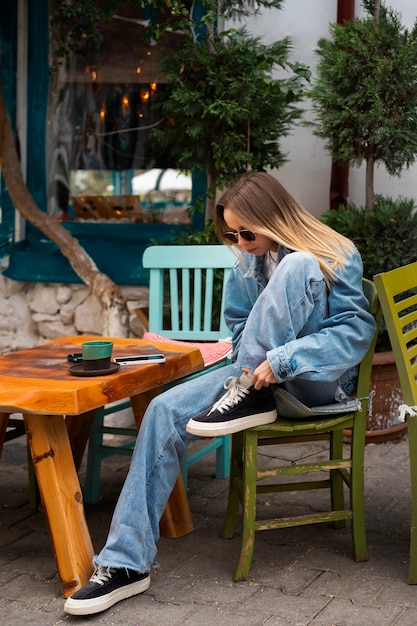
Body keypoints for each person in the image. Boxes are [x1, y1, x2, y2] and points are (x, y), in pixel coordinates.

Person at [64, 172, 376, 616]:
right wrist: (256, 352)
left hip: (314, 379)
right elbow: (237, 330)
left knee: (298, 265)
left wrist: (283, 359)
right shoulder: (245, 263)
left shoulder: (333, 253)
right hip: (251, 378)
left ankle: (248, 390)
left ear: (277, 218)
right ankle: (125, 564)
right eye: (232, 233)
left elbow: (355, 332)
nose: (241, 241)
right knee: (161, 409)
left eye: (248, 232)